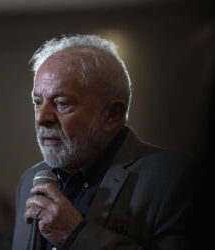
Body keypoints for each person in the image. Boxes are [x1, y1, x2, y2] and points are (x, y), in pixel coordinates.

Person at [12, 34, 196, 250]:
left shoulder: (174, 179)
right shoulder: (31, 181)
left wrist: (75, 235)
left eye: (61, 103)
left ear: (112, 114)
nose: (42, 117)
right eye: (37, 102)